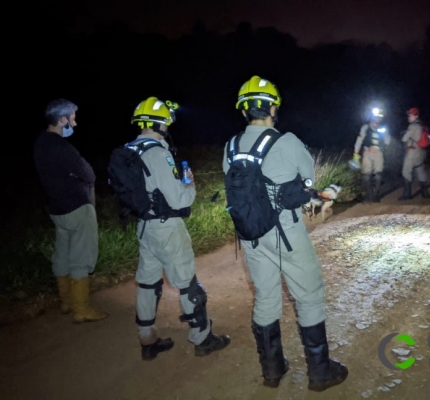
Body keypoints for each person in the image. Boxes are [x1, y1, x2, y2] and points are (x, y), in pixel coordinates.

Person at [223, 75, 348, 391]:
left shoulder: (231, 146)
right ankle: (320, 373)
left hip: (250, 235)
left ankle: (273, 370)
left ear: (243, 111)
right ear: (273, 108)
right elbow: (307, 182)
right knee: (309, 295)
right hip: (286, 232)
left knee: (265, 296)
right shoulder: (287, 141)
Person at [128, 97, 230, 361]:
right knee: (187, 284)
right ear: (160, 123)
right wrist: (190, 185)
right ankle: (202, 337)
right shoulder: (158, 153)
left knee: (148, 283)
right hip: (167, 227)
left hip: (144, 226)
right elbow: (179, 199)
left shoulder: (130, 150)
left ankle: (147, 338)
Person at [33, 98, 108, 323]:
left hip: (57, 209)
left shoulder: (40, 143)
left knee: (62, 255)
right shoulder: (61, 146)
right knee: (80, 258)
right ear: (62, 119)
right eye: (72, 119)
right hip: (76, 207)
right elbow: (89, 174)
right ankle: (81, 308)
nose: (74, 124)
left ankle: (66, 301)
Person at [353, 107, 391, 202]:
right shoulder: (365, 128)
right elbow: (359, 140)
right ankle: (369, 194)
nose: (377, 120)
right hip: (367, 153)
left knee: (378, 174)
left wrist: (385, 133)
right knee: (366, 174)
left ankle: (376, 195)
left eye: (379, 118)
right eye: (375, 118)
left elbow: (387, 142)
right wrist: (356, 153)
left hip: (378, 153)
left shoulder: (383, 128)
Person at [398, 107, 430, 200]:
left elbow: (404, 139)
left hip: (413, 152)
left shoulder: (412, 126)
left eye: (411, 115)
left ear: (416, 115)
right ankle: (425, 193)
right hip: (422, 151)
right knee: (420, 171)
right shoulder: (422, 125)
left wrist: (404, 134)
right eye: (409, 115)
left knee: (406, 171)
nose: (409, 117)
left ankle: (407, 194)